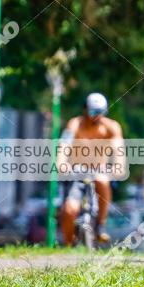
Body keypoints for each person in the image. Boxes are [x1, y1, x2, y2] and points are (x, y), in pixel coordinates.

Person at [57, 92, 125, 246]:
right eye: (93, 112)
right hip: (76, 172)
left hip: (98, 170)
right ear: (85, 110)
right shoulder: (75, 124)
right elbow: (64, 145)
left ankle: (101, 224)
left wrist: (118, 165)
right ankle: (68, 244)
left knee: (102, 180)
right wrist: (61, 163)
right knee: (69, 211)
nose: (97, 116)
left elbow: (119, 149)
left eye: (101, 113)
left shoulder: (111, 127)